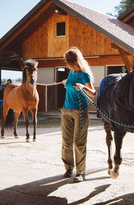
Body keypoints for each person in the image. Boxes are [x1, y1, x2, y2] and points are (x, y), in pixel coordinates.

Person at [61, 47, 96, 182]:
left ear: (74, 61)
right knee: (66, 142)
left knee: (79, 143)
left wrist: (83, 87)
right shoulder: (71, 72)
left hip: (80, 111)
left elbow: (93, 93)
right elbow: (69, 86)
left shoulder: (84, 74)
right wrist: (66, 83)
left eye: (69, 62)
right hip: (66, 110)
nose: (67, 64)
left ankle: (80, 172)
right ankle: (69, 168)